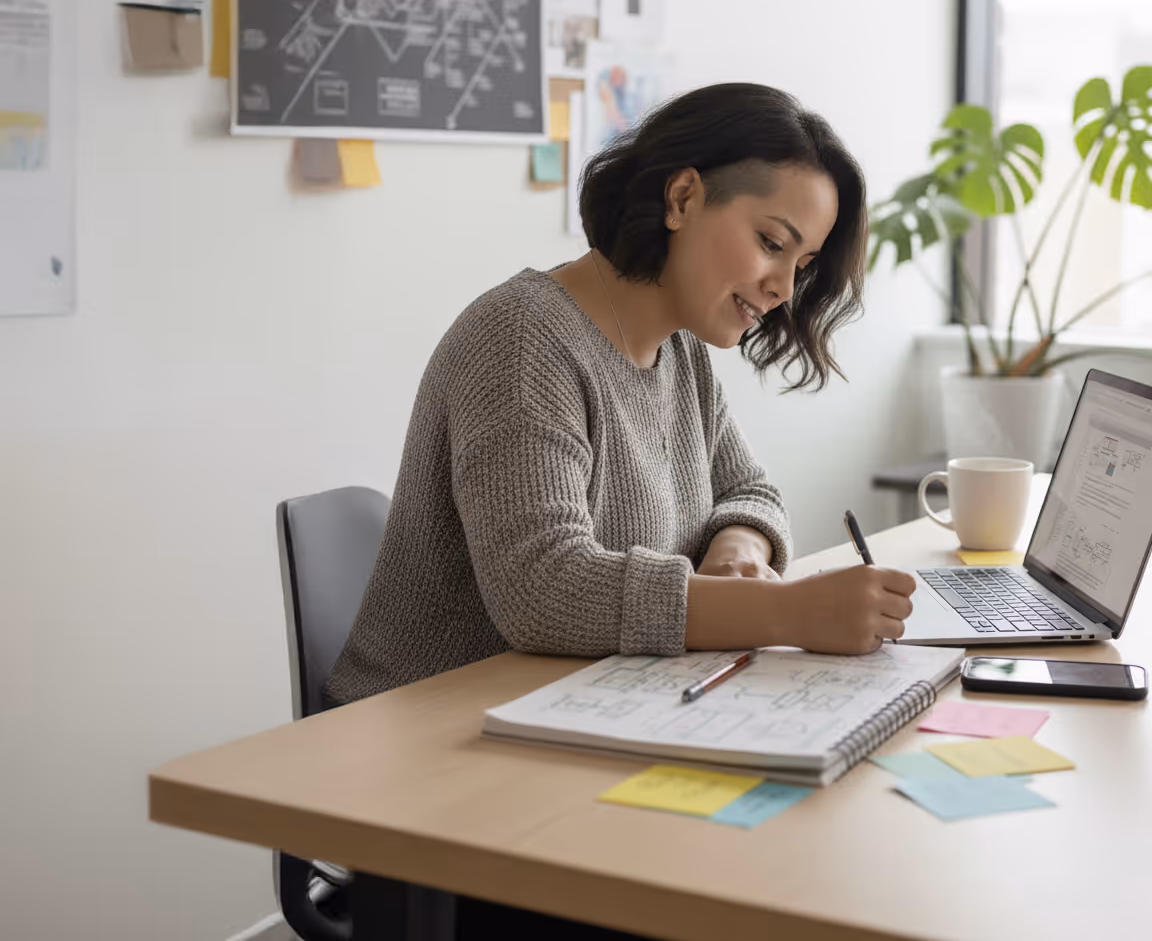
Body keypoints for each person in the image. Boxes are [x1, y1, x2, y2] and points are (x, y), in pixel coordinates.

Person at [326, 83, 915, 705]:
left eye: (802, 264)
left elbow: (748, 490)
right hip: (423, 729)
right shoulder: (522, 338)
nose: (783, 289)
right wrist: (784, 612)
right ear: (683, 197)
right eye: (771, 243)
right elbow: (544, 588)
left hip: (587, 705)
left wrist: (736, 549)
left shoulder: (679, 350)